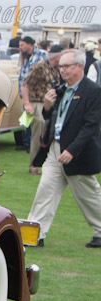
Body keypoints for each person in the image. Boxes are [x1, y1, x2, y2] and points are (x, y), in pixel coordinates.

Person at [25, 50, 101, 248]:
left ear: (79, 66)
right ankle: (35, 233)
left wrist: (72, 150)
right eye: (60, 66)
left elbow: (91, 126)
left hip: (78, 152)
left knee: (89, 195)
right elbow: (53, 119)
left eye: (66, 66)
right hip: (55, 150)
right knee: (45, 190)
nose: (62, 70)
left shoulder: (93, 91)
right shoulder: (59, 90)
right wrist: (48, 106)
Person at [21, 45, 63, 174]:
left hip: (51, 104)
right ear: (57, 56)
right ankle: (34, 164)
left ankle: (49, 162)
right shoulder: (39, 66)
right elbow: (25, 84)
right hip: (37, 102)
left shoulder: (56, 69)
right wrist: (27, 103)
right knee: (38, 129)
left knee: (49, 131)